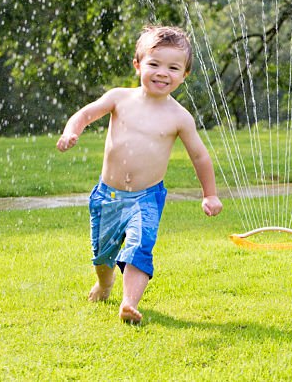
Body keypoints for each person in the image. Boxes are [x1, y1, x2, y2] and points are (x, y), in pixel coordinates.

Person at [57, 25, 223, 323]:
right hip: (107, 195)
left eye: (173, 67)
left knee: (139, 246)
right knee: (102, 254)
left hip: (146, 197)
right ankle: (105, 283)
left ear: (184, 76)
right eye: (154, 64)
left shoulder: (179, 117)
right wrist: (72, 131)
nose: (162, 72)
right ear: (137, 65)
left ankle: (130, 302)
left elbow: (199, 156)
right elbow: (85, 114)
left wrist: (209, 194)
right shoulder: (119, 98)